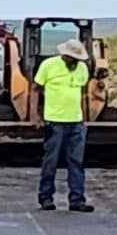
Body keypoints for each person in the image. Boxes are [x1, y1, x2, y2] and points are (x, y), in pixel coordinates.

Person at [31, 37, 95, 213]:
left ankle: (77, 199)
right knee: (50, 161)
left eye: (77, 59)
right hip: (54, 122)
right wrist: (35, 116)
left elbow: (82, 93)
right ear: (64, 55)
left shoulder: (82, 69)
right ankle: (45, 197)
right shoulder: (48, 65)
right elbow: (35, 89)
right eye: (71, 58)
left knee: (76, 162)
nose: (74, 61)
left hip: (76, 122)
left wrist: (84, 117)